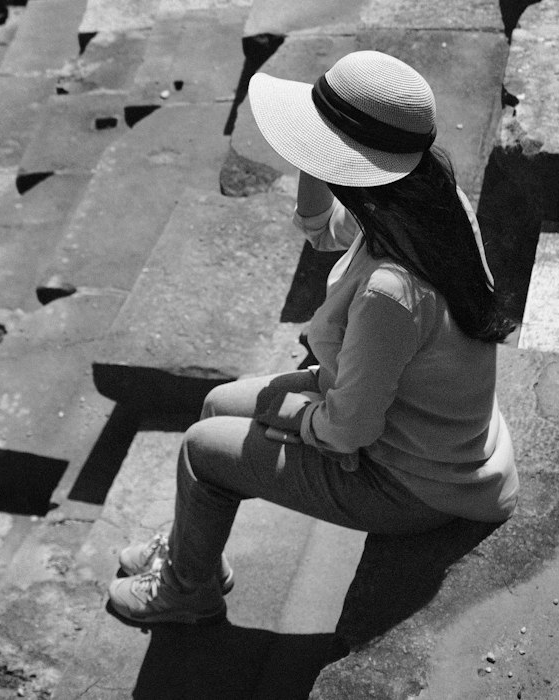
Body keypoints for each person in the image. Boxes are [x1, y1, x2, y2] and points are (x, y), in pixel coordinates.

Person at [106, 49, 519, 627]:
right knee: (216, 403)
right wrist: (316, 152)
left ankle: (186, 589)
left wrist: (295, 415)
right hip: (426, 428)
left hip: (414, 481)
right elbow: (322, 228)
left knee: (202, 450)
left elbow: (349, 429)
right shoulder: (431, 204)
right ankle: (188, 550)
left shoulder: (390, 293)